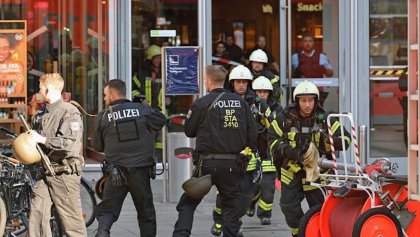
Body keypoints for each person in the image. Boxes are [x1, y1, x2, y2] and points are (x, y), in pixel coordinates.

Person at [172, 65, 257, 237]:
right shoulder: (241, 103)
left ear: (209, 81)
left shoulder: (202, 103)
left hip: (207, 165)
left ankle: (181, 234)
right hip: (233, 164)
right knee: (231, 206)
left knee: (188, 203)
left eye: (204, 79)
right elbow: (252, 134)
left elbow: (189, 131)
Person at [268, 80, 350, 237]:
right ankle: (299, 233)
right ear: (297, 100)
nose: (307, 105)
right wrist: (286, 150)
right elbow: (272, 138)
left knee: (320, 209)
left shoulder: (325, 119)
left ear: (316, 100)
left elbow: (345, 137)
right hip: (291, 171)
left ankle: (320, 233)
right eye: (303, 100)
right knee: (288, 206)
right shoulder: (284, 118)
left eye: (310, 100)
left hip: (317, 174)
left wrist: (338, 141)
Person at [92, 79, 166, 237]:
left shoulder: (103, 116)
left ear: (112, 95)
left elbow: (97, 146)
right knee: (146, 212)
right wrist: (145, 105)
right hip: (140, 172)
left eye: (105, 95)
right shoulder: (141, 109)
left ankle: (102, 233)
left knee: (107, 210)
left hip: (116, 172)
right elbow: (161, 120)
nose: (104, 99)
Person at [28, 73, 87, 237]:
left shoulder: (70, 112)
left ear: (47, 89)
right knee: (37, 215)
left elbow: (68, 143)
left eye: (40, 88)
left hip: (64, 174)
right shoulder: (41, 114)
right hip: (44, 172)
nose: (39, 92)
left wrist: (43, 140)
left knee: (72, 223)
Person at [210, 65, 263, 237]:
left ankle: (234, 222)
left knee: (246, 196)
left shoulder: (257, 103)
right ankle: (219, 219)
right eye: (238, 82)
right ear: (232, 83)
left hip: (248, 157)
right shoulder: (222, 99)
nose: (241, 85)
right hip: (228, 155)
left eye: (244, 82)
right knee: (224, 193)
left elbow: (272, 126)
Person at [247, 76, 283, 225]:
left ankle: (264, 214)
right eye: (258, 91)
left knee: (268, 185)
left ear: (270, 93)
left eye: (265, 92)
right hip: (253, 150)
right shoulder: (246, 106)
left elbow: (277, 128)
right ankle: (250, 203)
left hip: (269, 151)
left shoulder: (276, 109)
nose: (261, 95)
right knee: (253, 184)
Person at [132, 44, 174, 163]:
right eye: (156, 57)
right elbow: (133, 88)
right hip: (145, 110)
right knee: (146, 137)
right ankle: (147, 159)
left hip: (161, 111)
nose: (158, 60)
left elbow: (173, 88)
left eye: (160, 58)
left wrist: (170, 98)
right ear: (150, 58)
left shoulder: (166, 72)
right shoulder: (142, 73)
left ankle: (160, 160)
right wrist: (141, 99)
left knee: (161, 139)